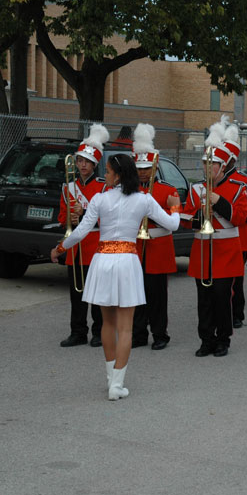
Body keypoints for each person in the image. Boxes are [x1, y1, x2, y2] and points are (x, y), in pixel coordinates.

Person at [51, 150, 180, 400]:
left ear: (118, 175)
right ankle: (116, 384)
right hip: (127, 261)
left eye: (108, 171)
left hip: (102, 260)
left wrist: (59, 248)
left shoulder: (101, 199)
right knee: (126, 327)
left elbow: (80, 232)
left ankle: (112, 378)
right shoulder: (144, 199)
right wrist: (175, 208)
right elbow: (173, 225)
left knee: (107, 324)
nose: (105, 175)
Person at [181, 130, 247, 357]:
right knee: (204, 299)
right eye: (205, 164)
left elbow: (240, 218)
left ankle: (223, 339)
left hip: (226, 251)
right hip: (202, 250)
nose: (207, 168)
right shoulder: (196, 189)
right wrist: (199, 214)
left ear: (222, 167)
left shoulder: (238, 188)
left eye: (212, 165)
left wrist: (218, 202)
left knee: (222, 297)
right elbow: (187, 219)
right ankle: (206, 339)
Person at [132, 124, 179, 350]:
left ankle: (160, 334)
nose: (142, 172)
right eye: (139, 168)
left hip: (158, 246)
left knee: (157, 296)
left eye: (146, 168)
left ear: (155, 166)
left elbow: (174, 219)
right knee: (136, 294)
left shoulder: (168, 190)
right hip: (135, 246)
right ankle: (138, 334)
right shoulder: (128, 190)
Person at [58, 125, 106, 348]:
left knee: (96, 294)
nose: (83, 165)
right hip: (76, 245)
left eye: (87, 161)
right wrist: (70, 219)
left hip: (96, 245)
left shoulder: (104, 188)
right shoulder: (68, 188)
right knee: (76, 295)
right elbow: (61, 216)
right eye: (80, 161)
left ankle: (99, 332)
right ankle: (77, 332)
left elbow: (109, 218)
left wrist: (85, 214)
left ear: (95, 164)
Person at [217, 121, 247, 329]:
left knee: (236, 279)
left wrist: (237, 217)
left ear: (232, 160)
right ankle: (222, 311)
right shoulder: (214, 179)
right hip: (219, 235)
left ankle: (237, 313)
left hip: (240, 235)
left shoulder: (245, 181)